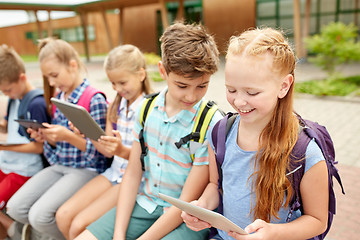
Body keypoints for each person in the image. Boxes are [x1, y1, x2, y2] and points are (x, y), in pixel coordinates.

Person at [74, 22, 222, 240]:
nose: (191, 96)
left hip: (184, 219)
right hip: (144, 203)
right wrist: (118, 233)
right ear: (163, 71)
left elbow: (186, 199)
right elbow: (133, 173)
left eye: (202, 86)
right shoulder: (146, 108)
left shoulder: (210, 121)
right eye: (182, 86)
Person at [181, 28, 329, 240]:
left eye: (252, 92)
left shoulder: (305, 151)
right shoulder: (221, 132)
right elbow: (216, 185)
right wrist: (202, 206)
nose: (239, 101)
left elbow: (317, 221)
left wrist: (273, 233)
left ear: (284, 86)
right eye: (231, 90)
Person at [6, 38, 108, 240]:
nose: (51, 83)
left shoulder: (94, 99)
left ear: (72, 65)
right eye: (48, 77)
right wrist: (47, 138)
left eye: (54, 75)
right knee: (15, 208)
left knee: (40, 217)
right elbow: (57, 151)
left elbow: (101, 156)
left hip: (87, 169)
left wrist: (69, 137)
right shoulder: (60, 98)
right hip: (60, 165)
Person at [55, 44, 153, 240]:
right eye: (113, 83)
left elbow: (148, 160)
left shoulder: (150, 109)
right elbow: (107, 152)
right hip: (114, 172)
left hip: (135, 179)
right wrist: (86, 133)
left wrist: (121, 150)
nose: (117, 89)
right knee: (63, 216)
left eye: (122, 82)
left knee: (78, 226)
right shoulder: (115, 106)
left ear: (141, 74)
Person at [0, 44, 50, 240]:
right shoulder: (15, 98)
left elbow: (39, 146)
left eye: (7, 89)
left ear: (22, 78)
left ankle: (14, 228)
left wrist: (3, 146)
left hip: (24, 170)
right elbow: (8, 126)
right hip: (7, 163)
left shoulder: (36, 103)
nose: (6, 94)